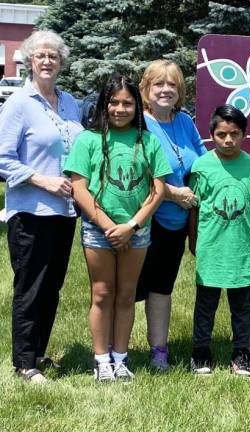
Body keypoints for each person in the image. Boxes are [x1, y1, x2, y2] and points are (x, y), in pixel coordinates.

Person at [64, 74, 172, 382]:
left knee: (126, 295)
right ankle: (101, 359)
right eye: (114, 102)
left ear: (137, 106)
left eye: (127, 103)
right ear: (104, 105)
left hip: (137, 230)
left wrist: (131, 225)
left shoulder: (148, 140)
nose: (120, 109)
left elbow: (158, 189)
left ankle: (121, 358)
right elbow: (80, 189)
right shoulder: (88, 140)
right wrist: (111, 226)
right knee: (101, 293)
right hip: (99, 229)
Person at [0, 30, 83, 383]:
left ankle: (39, 353)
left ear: (61, 62)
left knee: (52, 286)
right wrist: (41, 179)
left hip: (64, 212)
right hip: (30, 212)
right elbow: (2, 159)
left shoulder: (70, 103)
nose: (47, 61)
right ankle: (24, 363)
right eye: (40, 55)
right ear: (30, 61)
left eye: (53, 56)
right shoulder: (19, 103)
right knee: (31, 286)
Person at [188, 104, 250, 377]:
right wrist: (193, 239)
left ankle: (241, 353)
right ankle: (201, 352)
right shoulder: (201, 166)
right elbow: (195, 207)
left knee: (241, 308)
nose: (228, 140)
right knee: (206, 305)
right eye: (221, 134)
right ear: (211, 134)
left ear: (244, 135)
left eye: (234, 134)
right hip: (211, 247)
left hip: (242, 249)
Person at [135, 60, 205, 371]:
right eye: (159, 84)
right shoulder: (137, 124)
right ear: (145, 90)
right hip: (141, 221)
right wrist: (174, 194)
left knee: (162, 287)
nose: (166, 90)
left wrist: (246, 161)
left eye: (172, 85)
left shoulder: (185, 123)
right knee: (126, 289)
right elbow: (134, 173)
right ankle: (111, 350)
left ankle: (159, 352)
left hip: (176, 224)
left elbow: (204, 162)